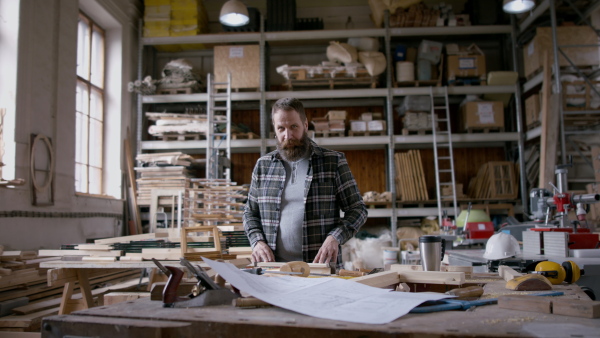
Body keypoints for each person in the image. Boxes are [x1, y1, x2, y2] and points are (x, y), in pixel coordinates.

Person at [243, 97, 368, 266]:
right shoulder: (263, 166)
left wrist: (335, 238)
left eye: (294, 127)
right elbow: (250, 213)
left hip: (320, 268)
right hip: (274, 269)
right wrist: (257, 242)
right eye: (281, 128)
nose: (288, 136)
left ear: (305, 125)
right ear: (275, 129)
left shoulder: (333, 162)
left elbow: (357, 209)